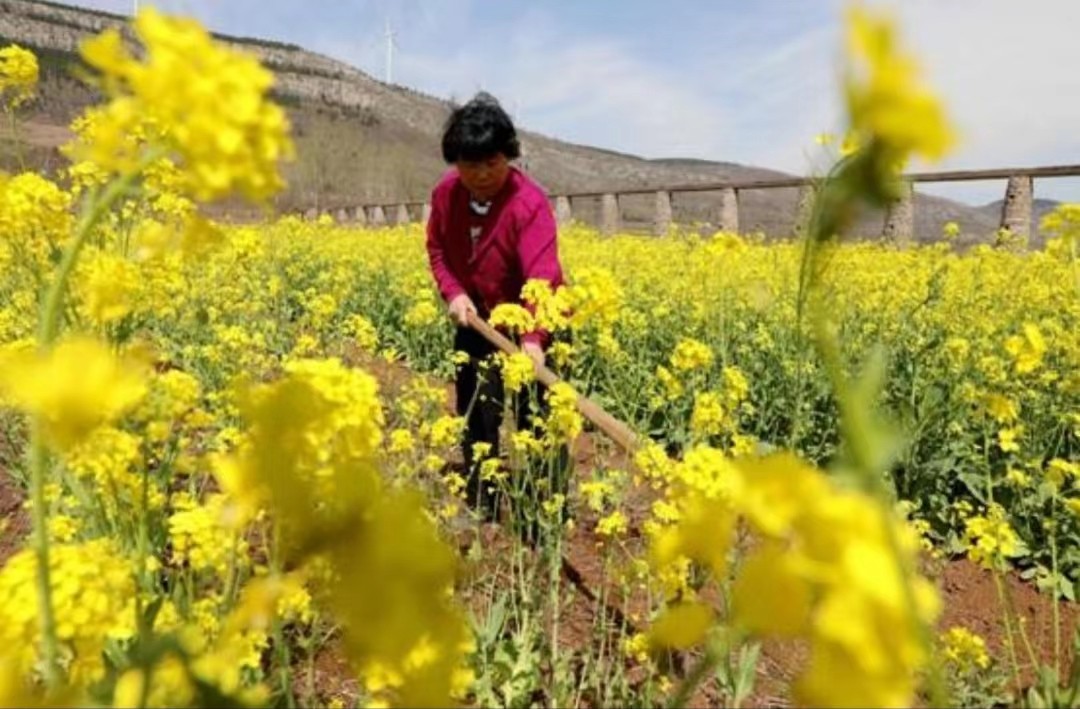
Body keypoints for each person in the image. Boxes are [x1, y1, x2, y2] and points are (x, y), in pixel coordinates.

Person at [425, 92, 568, 529]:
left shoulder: (529, 203)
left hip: (536, 319)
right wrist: (453, 293)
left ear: (509, 157)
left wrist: (532, 341)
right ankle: (482, 505)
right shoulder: (447, 196)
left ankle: (546, 513)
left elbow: (542, 275)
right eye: (471, 164)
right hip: (478, 317)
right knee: (475, 409)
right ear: (455, 162)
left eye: (492, 162)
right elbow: (437, 250)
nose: (482, 174)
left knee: (538, 417)